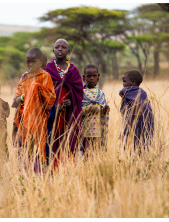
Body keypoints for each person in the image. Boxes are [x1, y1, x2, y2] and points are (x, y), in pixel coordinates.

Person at [12, 48, 56, 171]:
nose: (30, 64)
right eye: (28, 62)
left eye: (33, 62)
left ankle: (40, 176)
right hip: (23, 120)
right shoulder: (24, 76)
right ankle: (25, 178)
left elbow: (50, 99)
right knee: (24, 151)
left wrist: (35, 91)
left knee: (39, 151)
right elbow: (15, 101)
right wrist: (23, 97)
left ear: (41, 62)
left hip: (40, 121)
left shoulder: (45, 76)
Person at [45, 38, 83, 167]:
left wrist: (71, 101)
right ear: (53, 50)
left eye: (63, 47)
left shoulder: (73, 70)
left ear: (68, 51)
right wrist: (56, 106)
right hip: (52, 111)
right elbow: (44, 90)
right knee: (52, 135)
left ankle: (68, 164)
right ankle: (53, 164)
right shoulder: (48, 69)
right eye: (57, 47)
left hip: (69, 112)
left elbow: (79, 92)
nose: (60, 49)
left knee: (68, 136)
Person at [119, 70, 154, 153]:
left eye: (124, 81)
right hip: (136, 123)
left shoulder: (132, 92)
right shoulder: (141, 92)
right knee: (134, 145)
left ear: (133, 82)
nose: (123, 84)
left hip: (139, 123)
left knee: (137, 145)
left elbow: (141, 107)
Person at [81, 64, 109, 157]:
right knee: (86, 153)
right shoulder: (81, 93)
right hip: (85, 131)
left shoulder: (100, 94)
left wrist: (104, 110)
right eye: (89, 76)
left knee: (96, 153)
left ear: (98, 77)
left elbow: (103, 112)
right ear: (84, 77)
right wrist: (91, 107)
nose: (91, 78)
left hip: (98, 130)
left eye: (94, 76)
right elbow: (78, 112)